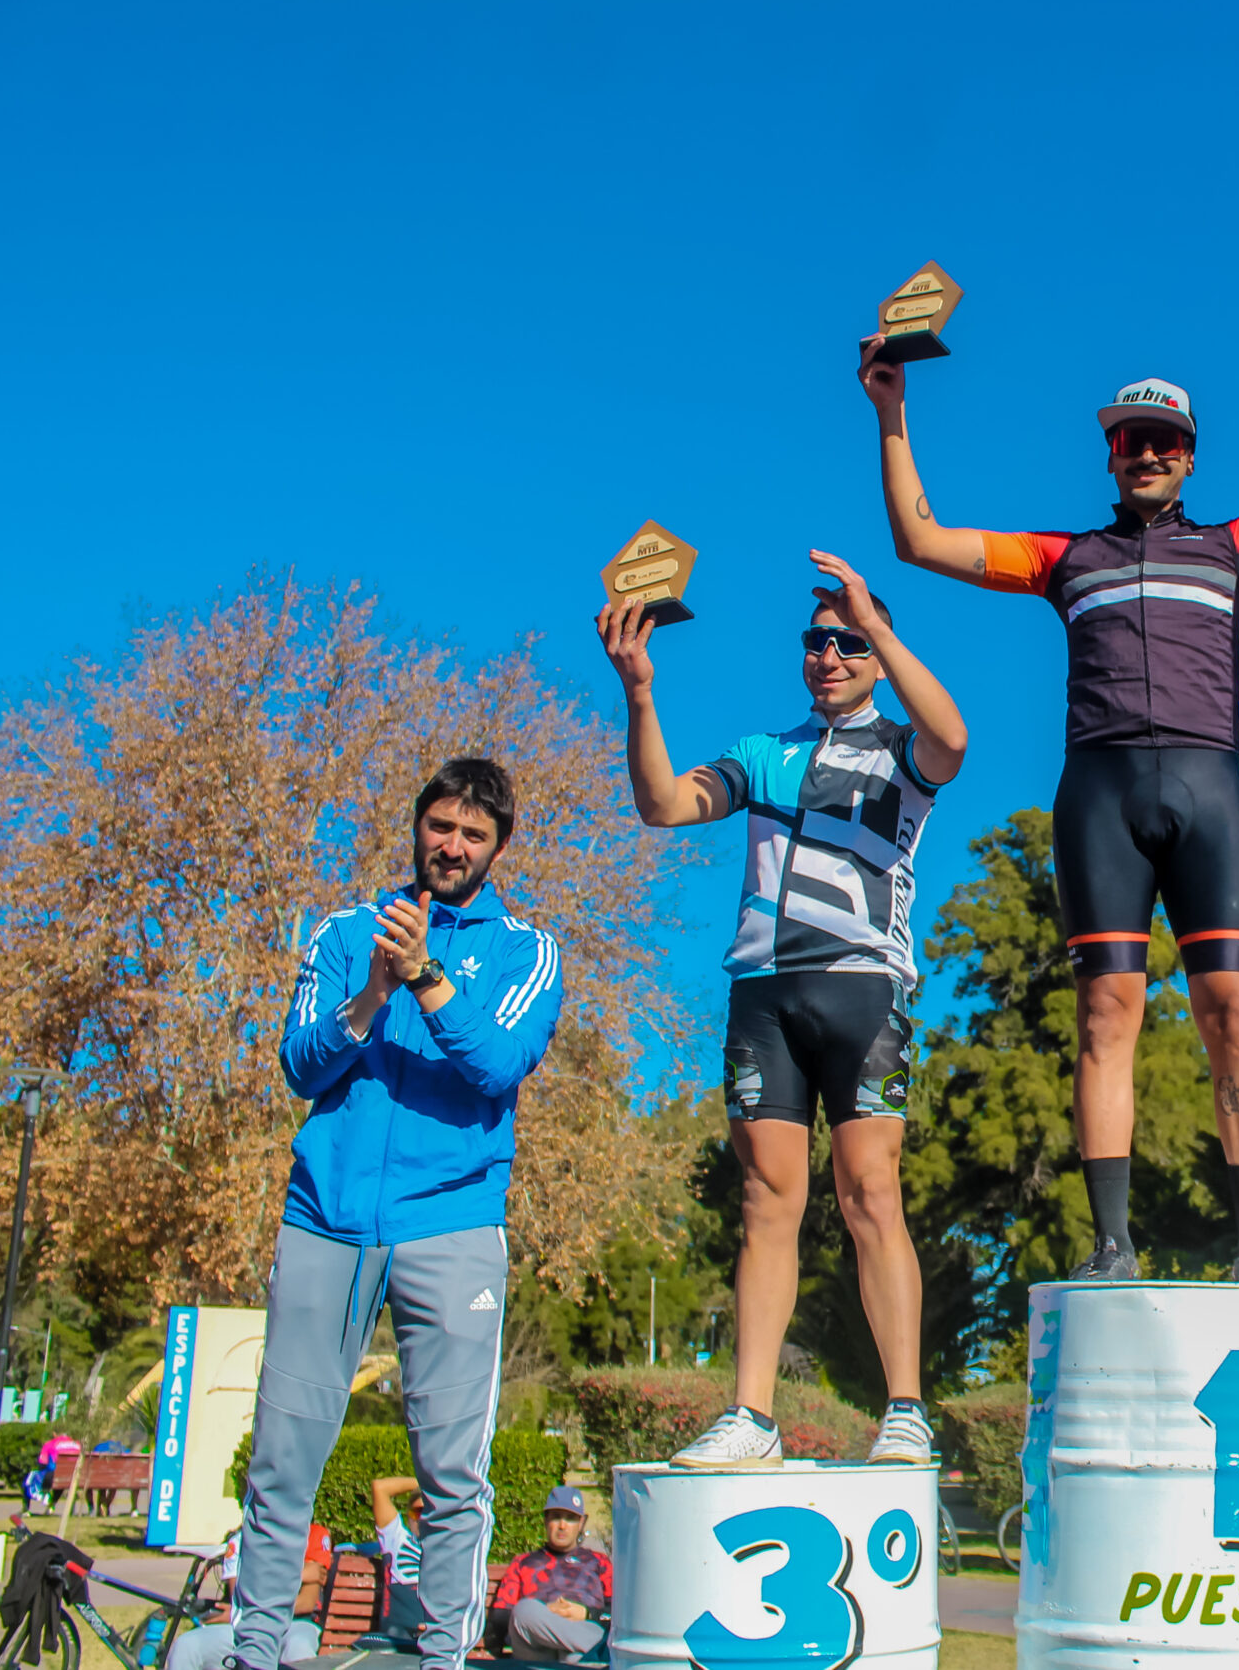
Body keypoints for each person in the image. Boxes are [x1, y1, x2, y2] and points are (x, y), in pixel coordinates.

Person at [859, 238, 1239, 1281]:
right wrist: (891, 409)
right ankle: (1112, 1242)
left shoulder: (1238, 546)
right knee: (1107, 1010)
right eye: (1129, 440)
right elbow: (920, 540)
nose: (1145, 454)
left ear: (1190, 457)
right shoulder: (1066, 558)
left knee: (1231, 1008)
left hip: (1210, 789)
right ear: (1108, 455)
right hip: (1098, 794)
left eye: (1163, 441)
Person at [597, 553, 965, 1469]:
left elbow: (954, 737)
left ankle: (905, 1410)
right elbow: (662, 804)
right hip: (762, 992)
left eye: (849, 642)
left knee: (870, 1191)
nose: (829, 655)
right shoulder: (764, 752)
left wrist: (877, 624)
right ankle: (751, 1415)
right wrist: (640, 692)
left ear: (876, 655)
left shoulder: (902, 750)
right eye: (816, 641)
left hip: (862, 985)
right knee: (767, 1198)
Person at [232, 759, 564, 1670]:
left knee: (452, 1476)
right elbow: (300, 1065)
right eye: (440, 826)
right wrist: (374, 990)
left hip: (452, 1226)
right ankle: (254, 1650)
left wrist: (425, 978)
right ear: (417, 826)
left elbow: (497, 1066)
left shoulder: (527, 950)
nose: (452, 846)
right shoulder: (344, 932)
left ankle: (442, 1655)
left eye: (473, 834)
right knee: (280, 1463)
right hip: (324, 1220)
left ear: (498, 849)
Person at [163, 1529, 330, 1670]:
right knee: (186, 1646)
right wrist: (298, 1574)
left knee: (298, 1647)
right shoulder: (240, 1540)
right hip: (249, 1623)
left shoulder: (313, 1535)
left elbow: (305, 1603)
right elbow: (241, 1598)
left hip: (295, 1624)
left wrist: (257, 1589)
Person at [488, 1485, 613, 1663]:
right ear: (546, 1520)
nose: (562, 1526)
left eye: (570, 1519)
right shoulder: (523, 1563)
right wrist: (547, 1613)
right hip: (535, 1650)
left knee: (574, 1657)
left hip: (581, 1643)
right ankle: (597, 1651)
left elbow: (619, 1615)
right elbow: (501, 1618)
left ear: (581, 1523)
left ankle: (587, 1652)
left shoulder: (599, 1562)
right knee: (524, 1610)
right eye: (556, 1517)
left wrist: (587, 1614)